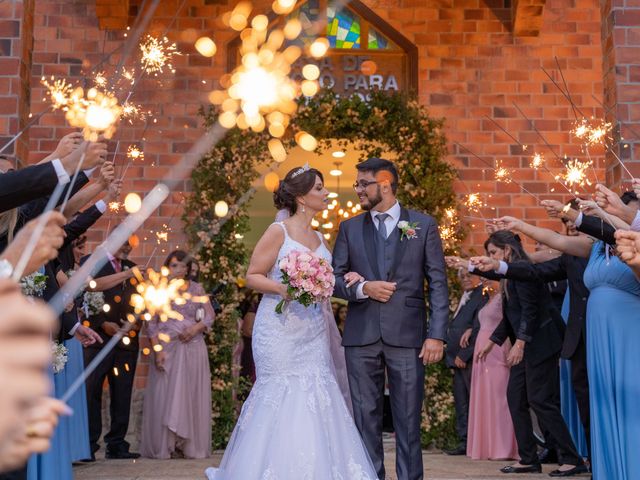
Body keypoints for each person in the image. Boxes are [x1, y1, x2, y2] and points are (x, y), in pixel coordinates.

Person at [205, 165, 377, 479]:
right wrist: (287, 287)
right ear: (300, 196)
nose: (327, 194)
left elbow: (330, 278)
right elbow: (252, 276)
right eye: (319, 189)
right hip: (279, 327)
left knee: (317, 391)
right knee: (283, 393)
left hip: (312, 327)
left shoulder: (321, 236)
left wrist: (338, 280)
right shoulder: (278, 232)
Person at [332, 157, 449, 480]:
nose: (357, 190)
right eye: (356, 184)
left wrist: (436, 334)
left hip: (409, 336)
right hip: (360, 337)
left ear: (384, 184)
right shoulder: (349, 227)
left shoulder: (423, 226)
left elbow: (438, 283)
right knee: (364, 419)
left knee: (408, 420)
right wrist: (364, 288)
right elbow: (333, 279)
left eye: (362, 183)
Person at [449, 231, 585, 476]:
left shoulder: (522, 271)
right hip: (528, 343)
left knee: (541, 400)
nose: (490, 258)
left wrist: (520, 343)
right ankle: (529, 458)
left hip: (542, 342)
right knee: (515, 396)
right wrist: (493, 341)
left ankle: (571, 458)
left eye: (493, 253)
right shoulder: (512, 273)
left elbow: (530, 312)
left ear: (507, 251)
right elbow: (513, 313)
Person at [141, 250, 215, 459]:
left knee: (191, 393)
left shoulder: (197, 288)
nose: (179, 270)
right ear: (167, 267)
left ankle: (189, 445)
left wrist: (194, 329)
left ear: (189, 268)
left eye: (183, 266)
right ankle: (166, 445)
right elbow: (151, 325)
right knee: (165, 395)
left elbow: (209, 317)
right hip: (168, 349)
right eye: (174, 265)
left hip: (193, 348)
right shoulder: (158, 290)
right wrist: (157, 351)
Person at [81, 241, 140, 461]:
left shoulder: (132, 267)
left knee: (123, 392)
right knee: (92, 391)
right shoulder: (92, 263)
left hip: (126, 342)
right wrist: (102, 323)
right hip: (99, 338)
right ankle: (88, 445)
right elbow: (85, 295)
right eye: (124, 242)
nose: (128, 246)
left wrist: (136, 323)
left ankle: (117, 443)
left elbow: (141, 301)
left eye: (131, 243)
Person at [465, 280, 518, 461]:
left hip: (497, 346)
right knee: (484, 395)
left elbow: (508, 322)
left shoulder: (504, 297)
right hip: (482, 346)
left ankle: (504, 447)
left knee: (499, 396)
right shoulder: (487, 299)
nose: (484, 280)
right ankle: (486, 445)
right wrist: (470, 329)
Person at [443, 269, 487, 456]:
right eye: (462, 277)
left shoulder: (482, 295)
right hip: (455, 358)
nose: (466, 279)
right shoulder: (466, 295)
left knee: (472, 402)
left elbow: (478, 327)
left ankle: (476, 442)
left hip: (467, 358)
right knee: (461, 401)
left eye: (469, 275)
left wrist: (465, 353)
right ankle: (465, 441)